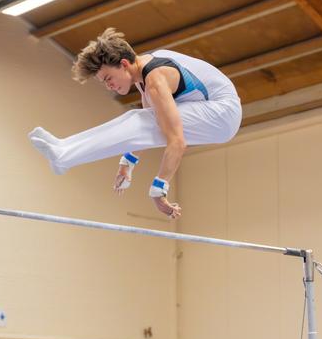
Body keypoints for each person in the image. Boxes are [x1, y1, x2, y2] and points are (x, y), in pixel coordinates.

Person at [29, 28, 242, 219]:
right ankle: (64, 149)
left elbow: (177, 142)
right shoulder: (144, 75)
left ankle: (64, 156)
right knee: (143, 119)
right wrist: (127, 164)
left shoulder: (155, 80)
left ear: (123, 64)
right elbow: (149, 131)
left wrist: (159, 189)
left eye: (108, 79)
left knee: (139, 119)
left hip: (224, 113)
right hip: (213, 110)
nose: (108, 86)